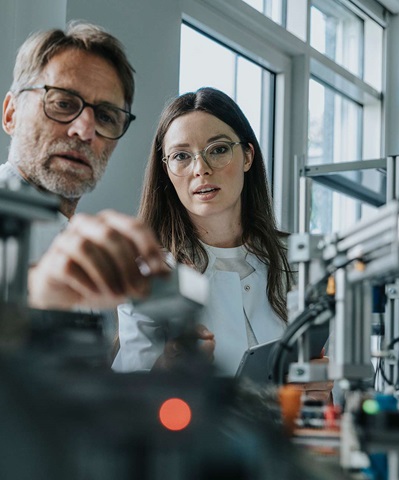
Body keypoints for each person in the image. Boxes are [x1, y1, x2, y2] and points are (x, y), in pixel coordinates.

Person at [0, 21, 168, 310]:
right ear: (11, 114)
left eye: (106, 116)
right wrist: (35, 290)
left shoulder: (91, 256)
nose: (85, 130)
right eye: (63, 103)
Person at [112, 87, 293, 376]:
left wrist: (324, 390)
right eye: (181, 156)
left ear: (247, 156)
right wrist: (167, 369)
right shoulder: (149, 275)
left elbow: (350, 380)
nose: (201, 169)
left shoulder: (298, 263)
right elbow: (127, 402)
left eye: (218, 150)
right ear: (167, 172)